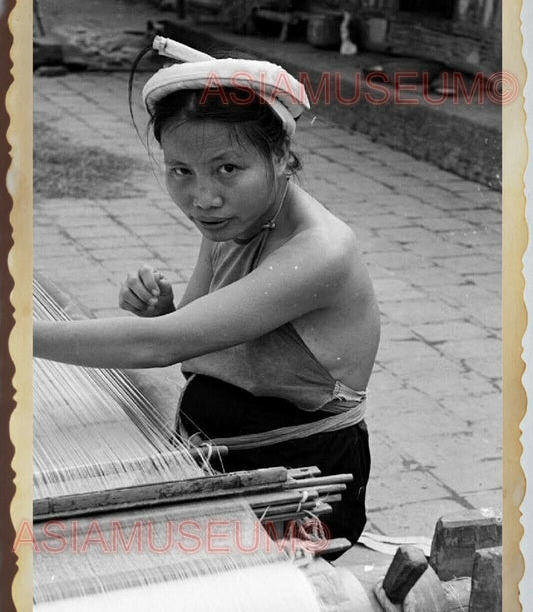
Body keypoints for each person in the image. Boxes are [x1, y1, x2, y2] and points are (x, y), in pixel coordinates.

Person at [34, 36, 380, 545]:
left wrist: (21, 335)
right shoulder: (235, 221)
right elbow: (189, 333)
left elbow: (163, 346)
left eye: (228, 169)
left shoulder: (322, 252)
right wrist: (164, 311)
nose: (202, 197)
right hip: (211, 460)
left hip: (299, 490)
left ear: (282, 156)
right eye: (180, 171)